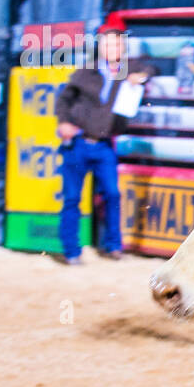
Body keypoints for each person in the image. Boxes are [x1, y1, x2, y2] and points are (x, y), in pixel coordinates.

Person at [54, 24, 153, 265]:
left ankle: (113, 246)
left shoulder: (129, 68)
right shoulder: (86, 71)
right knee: (71, 198)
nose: (113, 48)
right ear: (101, 47)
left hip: (104, 144)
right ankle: (71, 250)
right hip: (77, 142)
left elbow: (151, 67)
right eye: (109, 44)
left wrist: (142, 76)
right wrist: (64, 123)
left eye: (118, 44)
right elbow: (63, 99)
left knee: (112, 194)